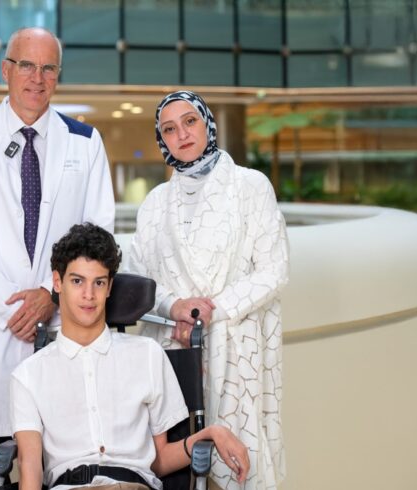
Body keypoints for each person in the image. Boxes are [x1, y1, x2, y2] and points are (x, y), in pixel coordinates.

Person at [0, 27, 115, 490]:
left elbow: (98, 236)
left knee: (62, 470)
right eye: (27, 66)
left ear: (58, 75)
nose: (37, 78)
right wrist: (17, 308)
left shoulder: (84, 141)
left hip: (60, 334)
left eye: (48, 68)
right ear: (6, 70)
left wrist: (51, 297)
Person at [127, 91, 289, 490]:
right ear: (161, 139)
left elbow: (274, 269)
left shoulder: (250, 186)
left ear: (207, 124)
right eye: (169, 129)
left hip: (235, 348)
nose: (181, 134)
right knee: (177, 465)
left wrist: (206, 311)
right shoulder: (154, 204)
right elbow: (136, 278)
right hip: (174, 352)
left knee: (240, 463)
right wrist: (175, 307)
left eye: (190, 122)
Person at [10, 223, 250, 490]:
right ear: (57, 282)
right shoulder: (28, 376)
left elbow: (158, 461)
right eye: (77, 281)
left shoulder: (147, 355)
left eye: (99, 282)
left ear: (109, 287)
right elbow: (29, 466)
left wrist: (212, 433)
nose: (89, 295)